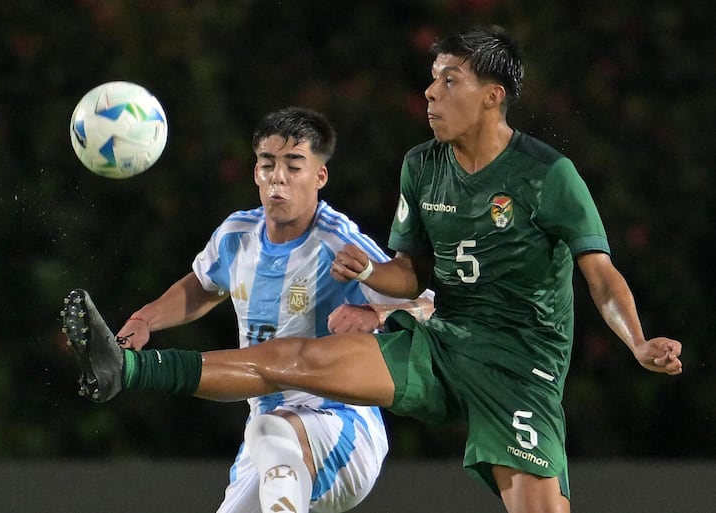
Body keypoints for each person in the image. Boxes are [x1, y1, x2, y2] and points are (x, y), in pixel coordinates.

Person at [64, 27, 683, 513]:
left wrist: (637, 340)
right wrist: (375, 282)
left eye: (448, 80)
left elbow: (598, 274)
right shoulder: (421, 166)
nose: (431, 92)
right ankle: (129, 370)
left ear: (493, 95)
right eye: (431, 79)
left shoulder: (548, 175)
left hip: (519, 366)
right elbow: (411, 273)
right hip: (443, 343)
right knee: (295, 358)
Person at [62, 107, 433, 513]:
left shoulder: (337, 242)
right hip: (268, 442)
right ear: (255, 172)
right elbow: (204, 285)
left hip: (341, 423)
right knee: (266, 431)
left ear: (319, 177)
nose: (278, 177)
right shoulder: (237, 234)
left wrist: (375, 315)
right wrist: (144, 318)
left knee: (269, 429)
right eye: (267, 164)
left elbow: (428, 305)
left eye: (294, 166)